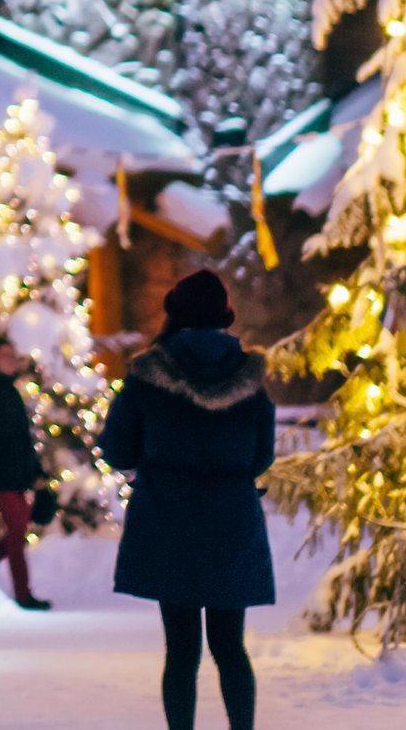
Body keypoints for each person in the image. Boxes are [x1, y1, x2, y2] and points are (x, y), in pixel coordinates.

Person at [95, 270, 276, 730]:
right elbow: (262, 455)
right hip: (231, 520)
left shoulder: (147, 375)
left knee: (180, 651)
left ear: (174, 313)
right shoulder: (251, 380)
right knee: (230, 647)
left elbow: (115, 448)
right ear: (225, 316)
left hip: (167, 517)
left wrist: (155, 462)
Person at [0, 339, 54, 609]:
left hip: (17, 473)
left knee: (16, 534)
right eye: (5, 356)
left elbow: (22, 438)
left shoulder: (10, 391)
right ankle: (23, 594)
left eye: (13, 356)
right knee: (17, 534)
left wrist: (36, 472)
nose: (10, 361)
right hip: (1, 474)